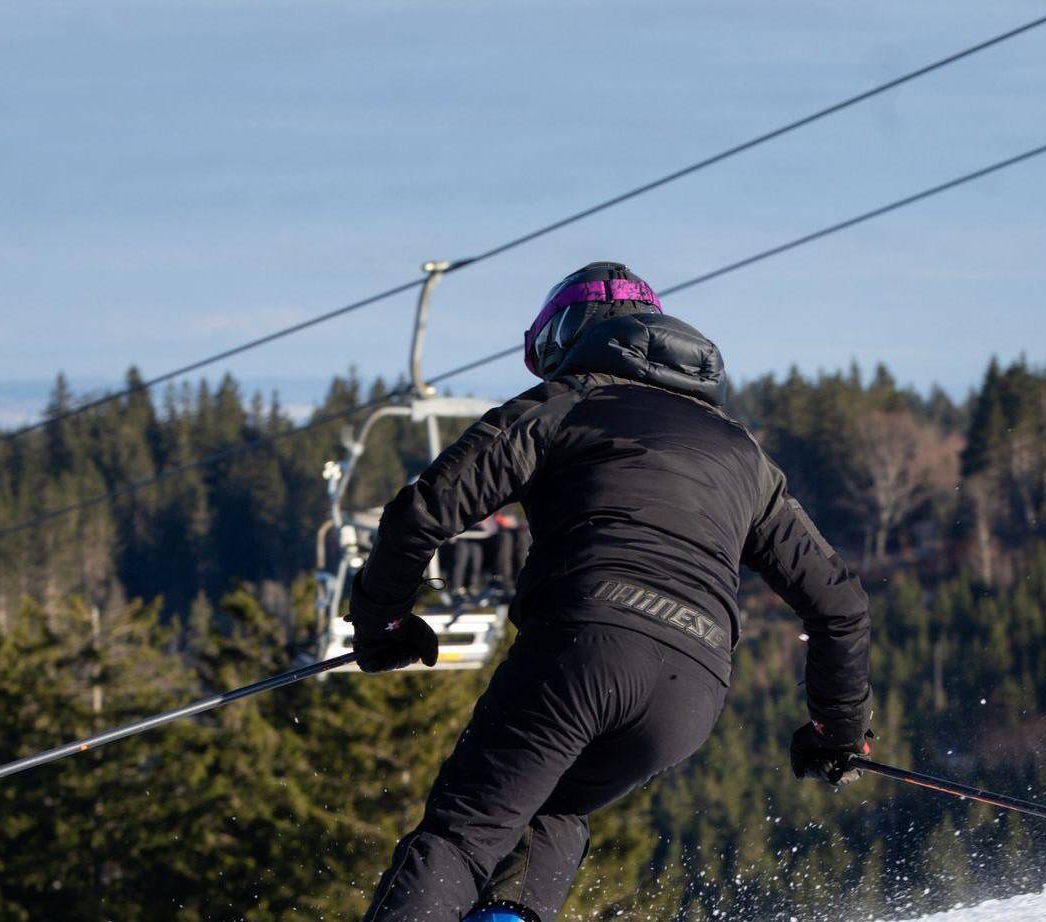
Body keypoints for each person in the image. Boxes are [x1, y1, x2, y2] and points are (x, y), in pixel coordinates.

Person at [348, 262, 874, 922]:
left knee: (462, 835)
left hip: (583, 648)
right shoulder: (744, 455)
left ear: (569, 337)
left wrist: (383, 622)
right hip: (692, 690)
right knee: (556, 806)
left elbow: (421, 513)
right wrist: (837, 731)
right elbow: (839, 605)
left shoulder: (565, 403)